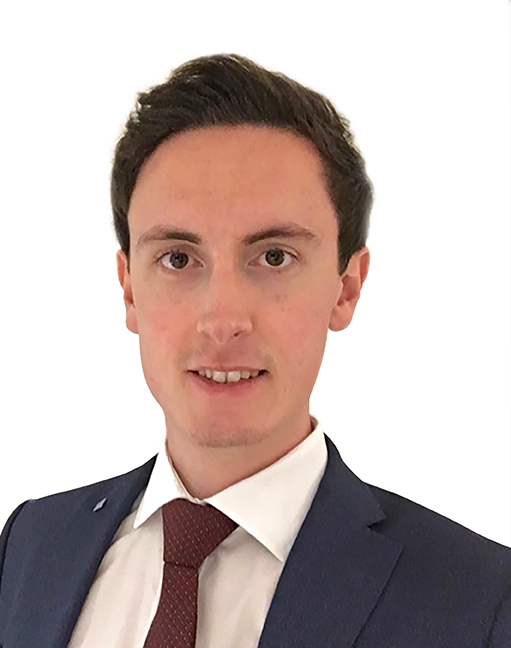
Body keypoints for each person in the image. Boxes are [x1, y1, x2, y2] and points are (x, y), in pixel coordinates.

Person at [0, 53, 510, 648]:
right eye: (178, 258)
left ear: (346, 288)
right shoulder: (29, 546)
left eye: (273, 257)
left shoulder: (480, 601)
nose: (223, 321)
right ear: (130, 289)